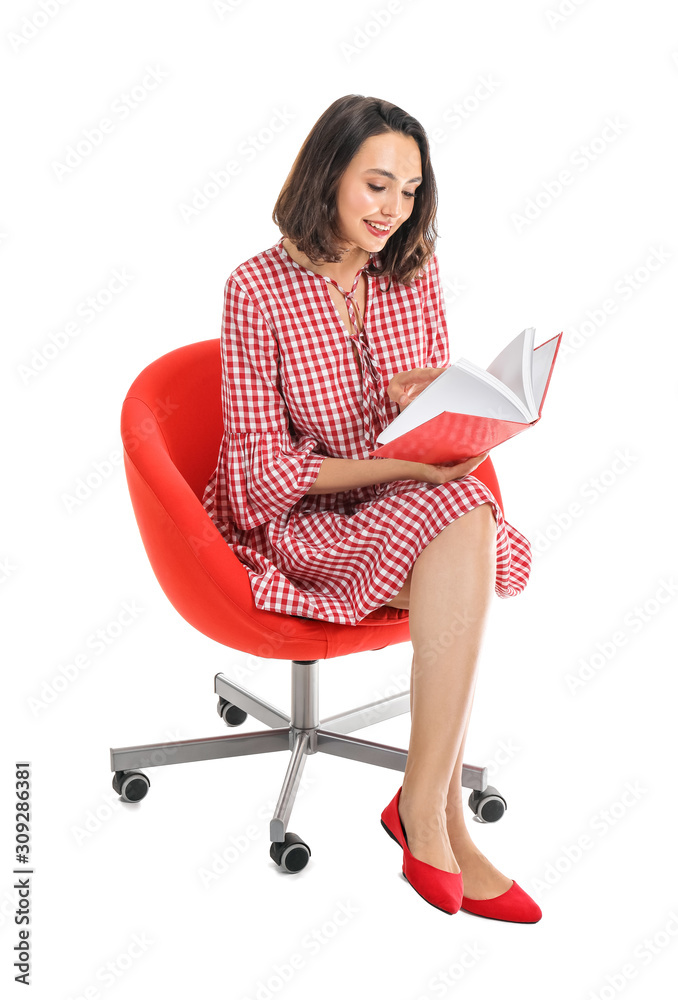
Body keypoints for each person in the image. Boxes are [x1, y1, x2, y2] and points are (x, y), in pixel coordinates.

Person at [202, 94, 541, 923]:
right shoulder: (257, 289)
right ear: (327, 178)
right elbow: (258, 469)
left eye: (411, 190)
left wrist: (428, 401)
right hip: (299, 517)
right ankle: (433, 816)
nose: (395, 210)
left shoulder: (411, 267)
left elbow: (429, 427)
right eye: (377, 186)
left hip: (406, 498)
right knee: (459, 522)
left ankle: (426, 811)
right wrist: (394, 459)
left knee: (460, 513)